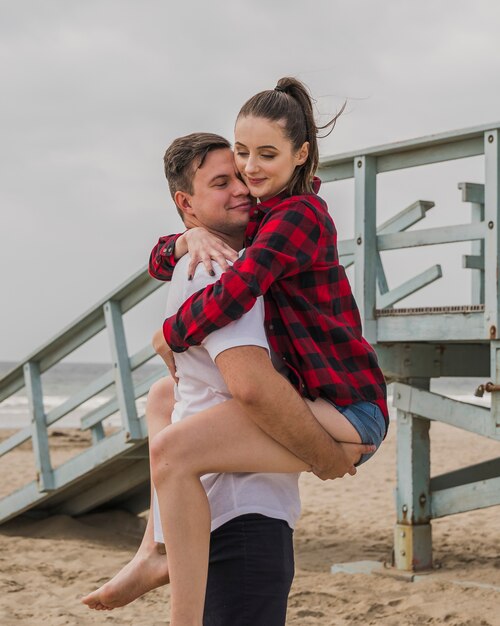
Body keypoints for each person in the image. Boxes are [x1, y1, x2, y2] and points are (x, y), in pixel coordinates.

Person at [82, 132, 372, 623]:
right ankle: (157, 555)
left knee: (160, 394)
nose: (241, 187)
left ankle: (157, 548)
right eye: (221, 182)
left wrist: (170, 315)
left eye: (240, 175)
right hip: (240, 518)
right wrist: (328, 458)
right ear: (186, 204)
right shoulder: (213, 266)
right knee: (169, 436)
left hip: (220, 518)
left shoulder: (246, 258)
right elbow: (252, 387)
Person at [148, 77, 388, 626]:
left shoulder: (297, 216)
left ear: (300, 154)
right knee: (163, 399)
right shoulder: (260, 213)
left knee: (173, 452)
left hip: (351, 409)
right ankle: (152, 552)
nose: (249, 171)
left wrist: (172, 330)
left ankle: (168, 585)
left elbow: (240, 289)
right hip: (327, 405)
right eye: (241, 154)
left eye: (266, 155)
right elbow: (163, 256)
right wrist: (184, 240)